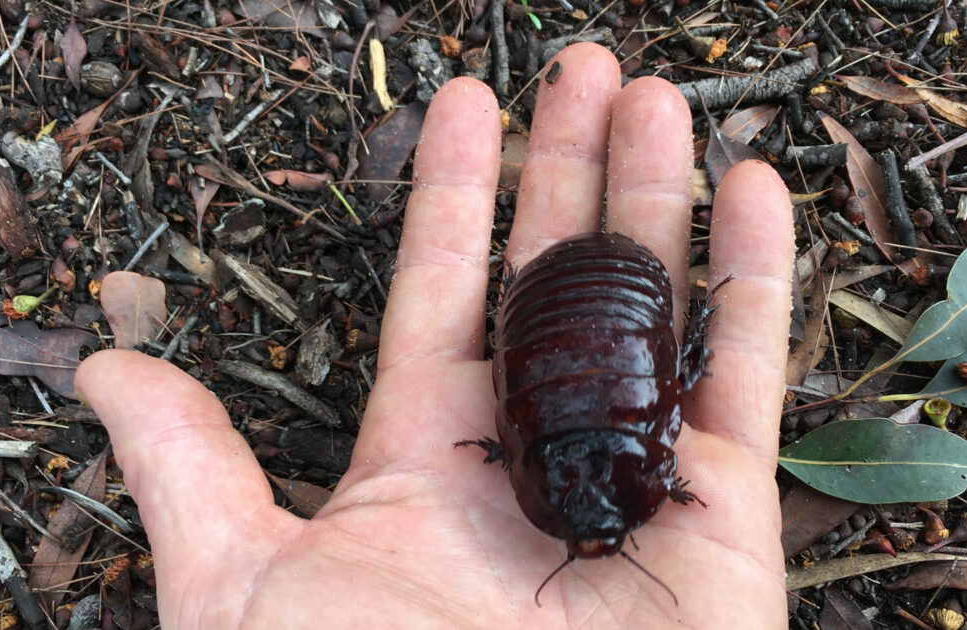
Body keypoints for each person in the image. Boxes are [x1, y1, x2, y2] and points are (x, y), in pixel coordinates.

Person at [75, 43, 792, 629]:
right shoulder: (614, 476)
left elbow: (637, 398)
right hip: (596, 303)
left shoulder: (582, 477)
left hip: (568, 305)